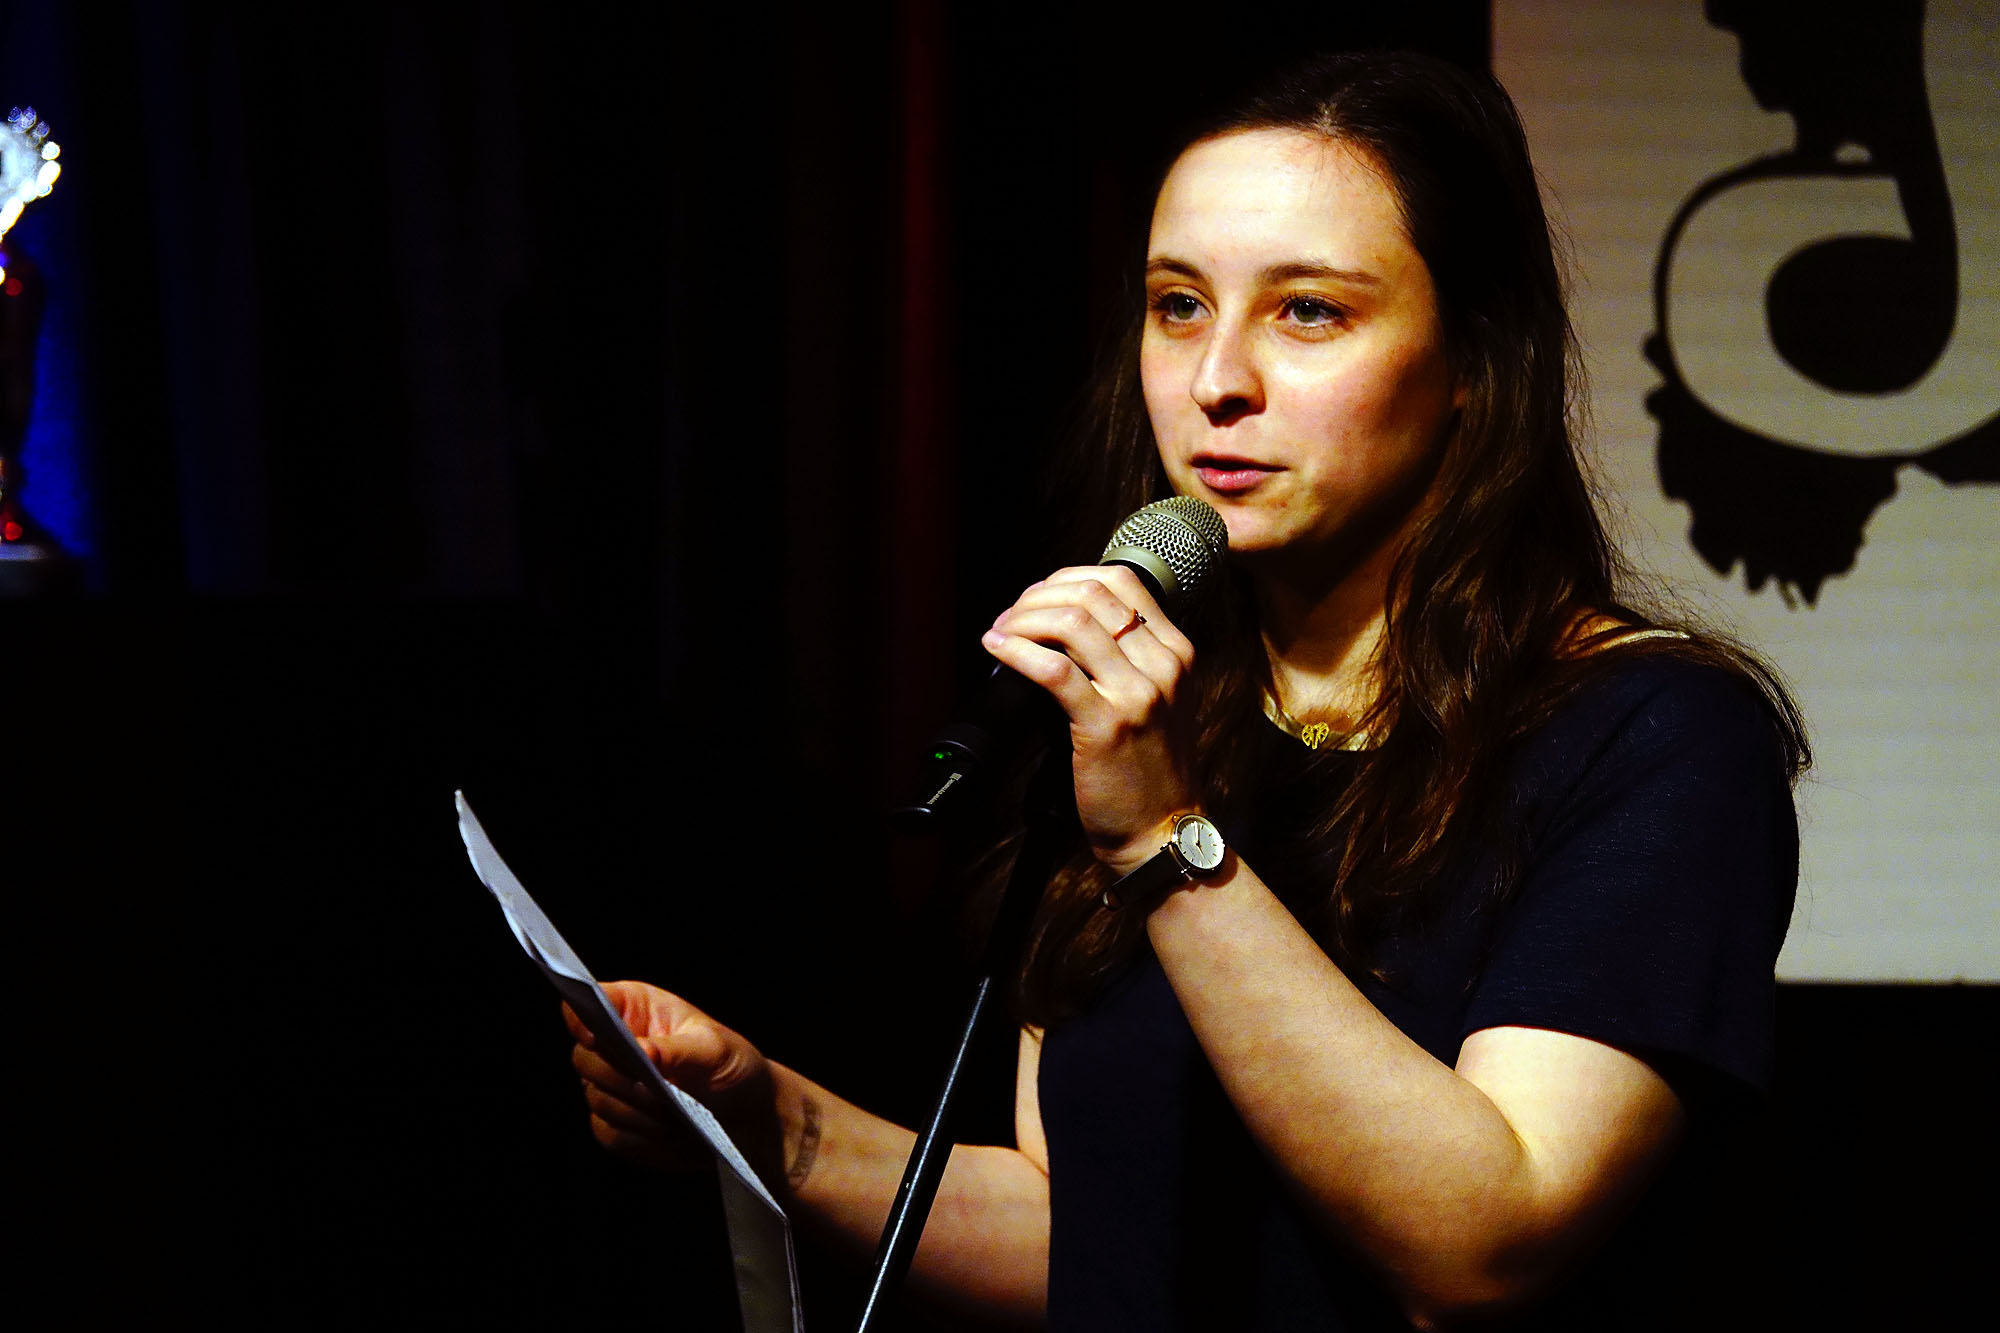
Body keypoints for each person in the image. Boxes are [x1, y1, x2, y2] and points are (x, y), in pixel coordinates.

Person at [568, 51, 1807, 1330]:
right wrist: (785, 1132)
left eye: (1306, 311)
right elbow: (1090, 1231)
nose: (1216, 379)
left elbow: (1479, 1248)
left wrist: (1167, 838)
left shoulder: (1651, 735)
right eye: (1176, 305)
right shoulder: (1160, 714)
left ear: (1471, 361)